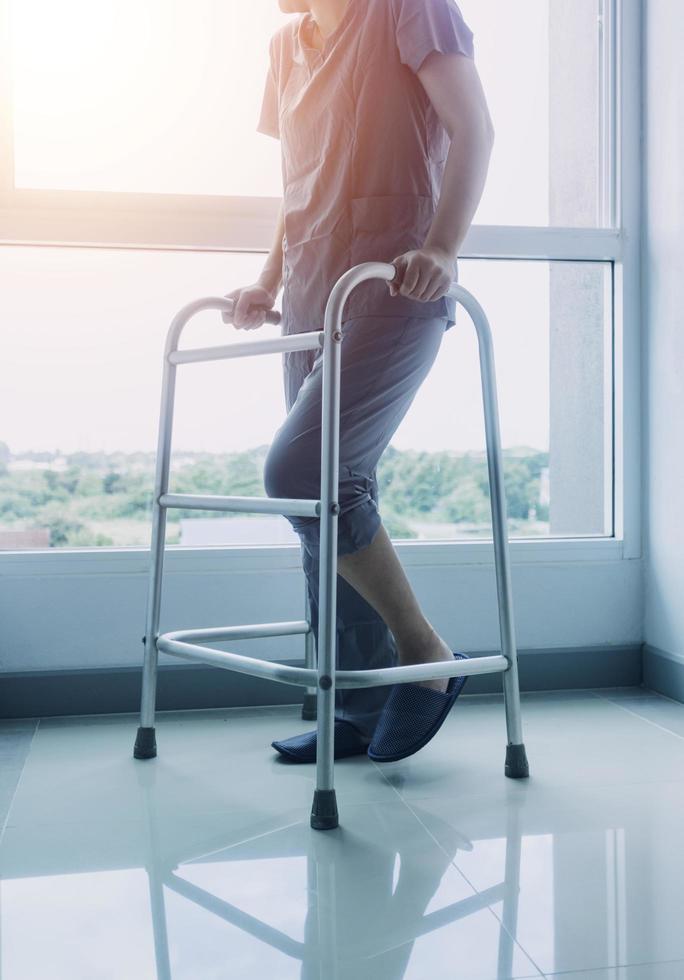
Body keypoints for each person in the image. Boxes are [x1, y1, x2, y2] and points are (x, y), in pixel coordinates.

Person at [225, 0, 494, 763]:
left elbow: (474, 127)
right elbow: (297, 182)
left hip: (393, 285)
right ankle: (356, 705)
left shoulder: (408, 9)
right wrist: (268, 278)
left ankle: (425, 654)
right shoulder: (286, 46)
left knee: (302, 472)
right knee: (329, 499)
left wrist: (442, 246)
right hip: (312, 300)